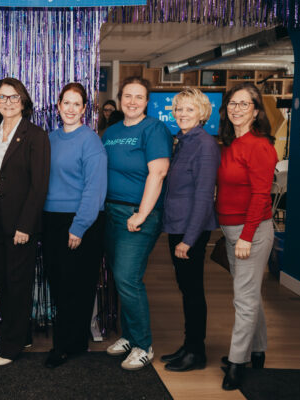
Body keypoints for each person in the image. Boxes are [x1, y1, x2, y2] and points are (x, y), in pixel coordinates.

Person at [102, 76, 172, 370]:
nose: (132, 102)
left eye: (139, 96)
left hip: (137, 214)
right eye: (127, 96)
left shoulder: (154, 129)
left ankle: (144, 345)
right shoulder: (112, 131)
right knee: (121, 278)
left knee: (127, 278)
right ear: (120, 99)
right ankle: (129, 336)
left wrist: (141, 214)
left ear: (147, 102)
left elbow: (158, 173)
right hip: (110, 212)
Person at [0, 77, 50, 366]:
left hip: (20, 216)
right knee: (2, 279)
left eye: (13, 97)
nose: (7, 102)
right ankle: (20, 334)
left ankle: (10, 345)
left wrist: (25, 225)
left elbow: (39, 185)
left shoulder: (35, 135)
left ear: (23, 101)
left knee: (17, 280)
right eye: (2, 97)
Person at [42, 83, 107, 368]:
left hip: (80, 221)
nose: (70, 109)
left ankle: (64, 346)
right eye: (65, 103)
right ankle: (76, 341)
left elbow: (95, 188)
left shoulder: (90, 141)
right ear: (58, 106)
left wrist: (79, 227)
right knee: (59, 285)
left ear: (84, 109)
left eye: (76, 104)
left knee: (75, 287)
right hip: (51, 220)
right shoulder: (50, 138)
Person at [216, 82, 277, 391]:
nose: (236, 108)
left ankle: (237, 363)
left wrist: (246, 237)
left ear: (255, 111)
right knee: (249, 294)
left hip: (250, 232)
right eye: (232, 103)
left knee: (243, 298)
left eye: (244, 104)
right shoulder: (230, 144)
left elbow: (261, 196)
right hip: (231, 231)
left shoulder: (260, 146)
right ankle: (258, 350)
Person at [160, 89, 220, 372]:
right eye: (179, 109)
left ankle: (196, 352)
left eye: (189, 109)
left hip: (190, 230)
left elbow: (204, 196)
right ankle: (189, 345)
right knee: (186, 289)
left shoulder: (205, 144)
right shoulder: (183, 141)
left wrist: (188, 240)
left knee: (193, 292)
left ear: (202, 113)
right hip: (178, 226)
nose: (182, 114)